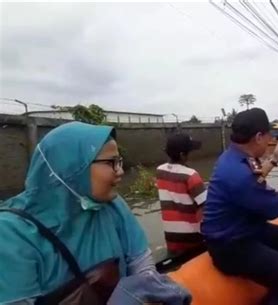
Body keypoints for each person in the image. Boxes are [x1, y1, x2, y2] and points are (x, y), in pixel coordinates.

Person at [0, 122, 189, 304]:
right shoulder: (11, 235)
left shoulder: (113, 206)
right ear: (72, 167)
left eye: (119, 161)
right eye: (111, 162)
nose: (120, 171)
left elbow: (142, 267)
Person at [201, 108, 278, 305]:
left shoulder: (235, 156)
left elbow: (255, 179)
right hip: (230, 246)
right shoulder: (236, 173)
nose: (270, 141)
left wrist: (274, 160)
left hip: (247, 230)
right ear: (259, 137)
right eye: (269, 136)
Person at [156, 133, 207, 255]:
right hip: (193, 241)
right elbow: (206, 207)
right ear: (182, 155)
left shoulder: (159, 171)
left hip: (172, 240)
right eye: (189, 152)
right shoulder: (191, 175)